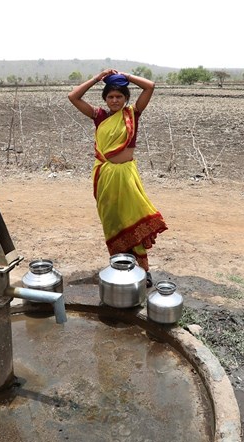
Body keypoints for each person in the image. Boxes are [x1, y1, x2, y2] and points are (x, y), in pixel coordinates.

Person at [68, 69, 167, 287]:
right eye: (110, 97)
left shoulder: (133, 114)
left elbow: (150, 86)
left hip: (126, 175)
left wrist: (126, 76)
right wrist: (96, 77)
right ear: (105, 99)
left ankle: (143, 269)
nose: (114, 100)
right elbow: (73, 97)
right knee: (113, 219)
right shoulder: (99, 116)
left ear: (126, 99)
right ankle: (119, 264)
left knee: (133, 216)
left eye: (119, 97)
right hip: (106, 176)